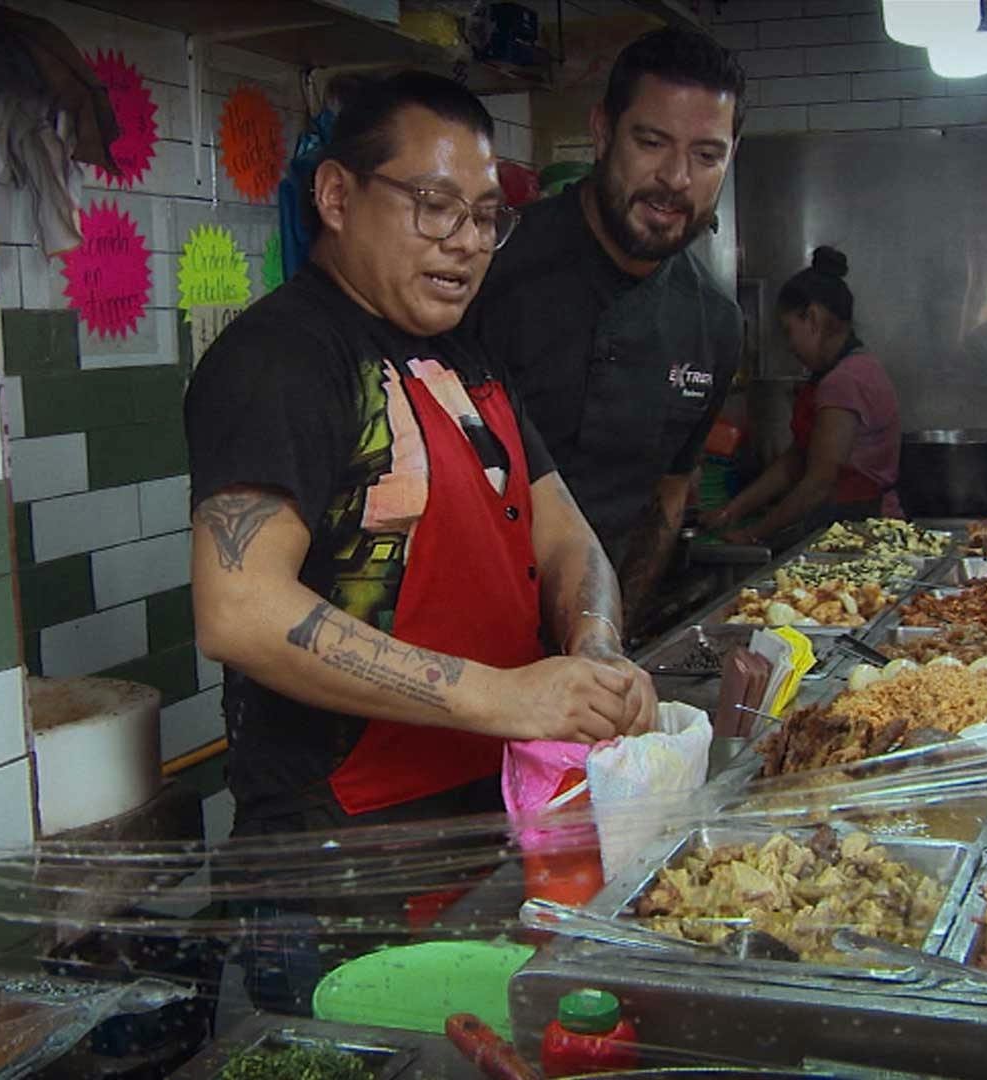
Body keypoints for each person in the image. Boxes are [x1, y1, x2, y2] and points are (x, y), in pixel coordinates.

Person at [183, 71, 656, 1013]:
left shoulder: (465, 351)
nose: (467, 242)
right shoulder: (284, 359)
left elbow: (565, 532)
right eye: (434, 206)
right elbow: (238, 608)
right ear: (335, 196)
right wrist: (505, 696)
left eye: (486, 217)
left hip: (484, 825)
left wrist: (593, 648)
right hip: (343, 863)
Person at [464, 27, 746, 621]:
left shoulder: (715, 324)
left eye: (706, 155)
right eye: (652, 142)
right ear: (601, 131)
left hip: (596, 638)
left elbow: (669, 495)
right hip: (462, 639)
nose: (676, 177)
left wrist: (614, 637)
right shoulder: (488, 267)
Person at [703, 246, 902, 542]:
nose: (789, 345)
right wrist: (733, 510)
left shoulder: (844, 381)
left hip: (861, 531)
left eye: (788, 331)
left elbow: (818, 482)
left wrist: (755, 534)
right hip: (845, 523)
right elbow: (796, 459)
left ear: (812, 318)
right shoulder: (853, 368)